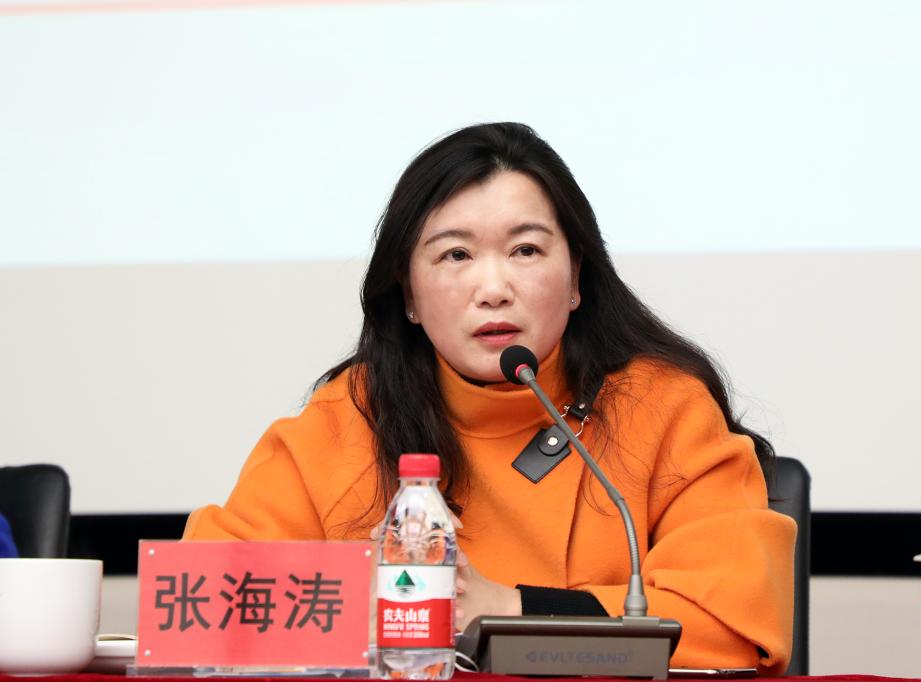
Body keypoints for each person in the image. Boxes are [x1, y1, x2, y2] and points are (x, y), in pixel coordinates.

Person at [184, 122, 795, 672]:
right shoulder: (350, 416)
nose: (493, 288)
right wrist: (356, 610)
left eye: (526, 250)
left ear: (577, 277)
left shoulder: (666, 409)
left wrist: (505, 608)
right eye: (456, 255)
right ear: (408, 295)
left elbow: (734, 622)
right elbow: (202, 602)